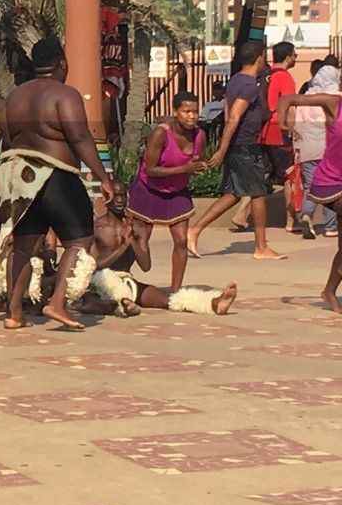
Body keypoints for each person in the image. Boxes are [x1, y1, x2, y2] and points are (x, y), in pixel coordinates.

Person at [0, 36, 113, 331]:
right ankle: (57, 302)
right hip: (56, 174)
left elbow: (6, 135)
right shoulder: (64, 95)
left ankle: (14, 313)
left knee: (25, 245)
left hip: (19, 177)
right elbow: (80, 138)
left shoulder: (12, 97)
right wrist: (103, 177)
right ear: (62, 64)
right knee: (79, 240)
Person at [187, 40, 286, 261]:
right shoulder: (250, 85)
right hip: (245, 147)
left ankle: (195, 230)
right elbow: (234, 116)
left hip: (237, 145)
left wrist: (226, 146)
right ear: (259, 58)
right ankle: (261, 247)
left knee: (233, 194)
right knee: (258, 193)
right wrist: (222, 149)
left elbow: (226, 112)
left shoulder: (234, 81)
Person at [83, 181, 238, 317]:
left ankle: (214, 303)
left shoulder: (137, 227)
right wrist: (123, 246)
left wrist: (132, 241)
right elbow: (94, 266)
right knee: (91, 301)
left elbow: (145, 266)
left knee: (167, 298)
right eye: (115, 196)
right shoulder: (97, 227)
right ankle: (119, 304)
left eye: (123, 196)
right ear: (105, 198)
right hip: (100, 282)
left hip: (127, 281)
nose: (120, 201)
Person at [127, 91, 206, 291]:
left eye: (195, 111)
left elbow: (196, 162)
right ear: (175, 112)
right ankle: (121, 277)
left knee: (181, 241)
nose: (191, 116)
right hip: (148, 189)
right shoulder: (161, 133)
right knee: (140, 243)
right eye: (186, 111)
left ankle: (175, 291)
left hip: (177, 191)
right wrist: (184, 169)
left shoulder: (199, 136)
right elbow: (150, 169)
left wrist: (199, 168)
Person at [278, 85, 342, 311]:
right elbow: (287, 98)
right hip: (329, 181)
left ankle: (329, 291)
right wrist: (283, 122)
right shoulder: (334, 104)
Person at [293, 64, 341, 239]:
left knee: (310, 186)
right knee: (333, 186)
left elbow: (297, 125)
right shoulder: (335, 98)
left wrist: (297, 150)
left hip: (307, 147)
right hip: (329, 149)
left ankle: (306, 215)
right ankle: (331, 226)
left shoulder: (306, 98)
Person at [260, 41, 297, 187]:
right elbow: (289, 107)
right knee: (288, 174)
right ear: (288, 57)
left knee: (265, 171)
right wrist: (294, 132)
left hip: (263, 128)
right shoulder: (285, 77)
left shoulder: (266, 75)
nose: (295, 58)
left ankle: (244, 207)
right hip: (279, 131)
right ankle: (290, 210)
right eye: (295, 55)